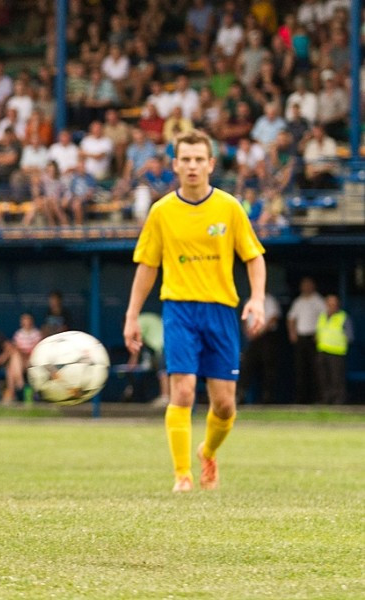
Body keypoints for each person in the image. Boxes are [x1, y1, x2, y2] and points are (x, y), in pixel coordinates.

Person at [124, 129, 266, 493]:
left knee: (224, 406)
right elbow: (147, 267)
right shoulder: (162, 212)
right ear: (174, 164)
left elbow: (254, 257)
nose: (192, 166)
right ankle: (182, 476)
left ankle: (209, 451)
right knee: (183, 392)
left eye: (199, 159)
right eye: (185, 159)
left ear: (211, 164)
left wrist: (257, 298)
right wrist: (132, 315)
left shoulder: (230, 207)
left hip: (221, 312)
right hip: (179, 310)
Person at [236, 293, 281, 404]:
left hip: (267, 337)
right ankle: (241, 395)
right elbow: (245, 318)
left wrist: (260, 331)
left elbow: (273, 318)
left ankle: (268, 397)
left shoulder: (270, 300)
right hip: (252, 337)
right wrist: (247, 331)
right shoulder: (248, 300)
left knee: (268, 367)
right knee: (247, 365)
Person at [287, 277, 326, 403]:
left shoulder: (318, 300)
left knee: (316, 370)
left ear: (313, 286)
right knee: (300, 369)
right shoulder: (298, 302)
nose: (306, 287)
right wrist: (292, 333)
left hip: (313, 338)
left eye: (309, 285)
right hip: (301, 338)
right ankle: (301, 400)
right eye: (304, 285)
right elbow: (291, 318)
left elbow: (325, 318)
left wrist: (319, 333)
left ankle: (318, 399)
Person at [123, 312, 169, 407]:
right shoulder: (146, 318)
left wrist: (133, 361)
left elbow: (137, 343)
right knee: (169, 371)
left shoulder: (137, 322)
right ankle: (170, 398)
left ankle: (165, 398)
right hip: (169, 343)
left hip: (163, 346)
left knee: (163, 372)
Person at [315, 294, 353, 404]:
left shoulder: (343, 317)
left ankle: (338, 401)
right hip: (322, 350)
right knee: (322, 377)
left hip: (337, 352)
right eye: (329, 304)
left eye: (334, 304)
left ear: (338, 305)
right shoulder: (322, 316)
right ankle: (325, 400)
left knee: (336, 378)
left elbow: (350, 336)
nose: (332, 306)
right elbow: (319, 331)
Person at [5, 312, 43, 404]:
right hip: (20, 360)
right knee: (12, 363)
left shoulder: (37, 333)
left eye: (28, 320)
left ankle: (15, 389)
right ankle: (18, 384)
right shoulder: (18, 334)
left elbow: (37, 349)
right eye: (24, 320)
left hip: (32, 360)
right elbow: (15, 347)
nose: (26, 322)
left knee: (11, 368)